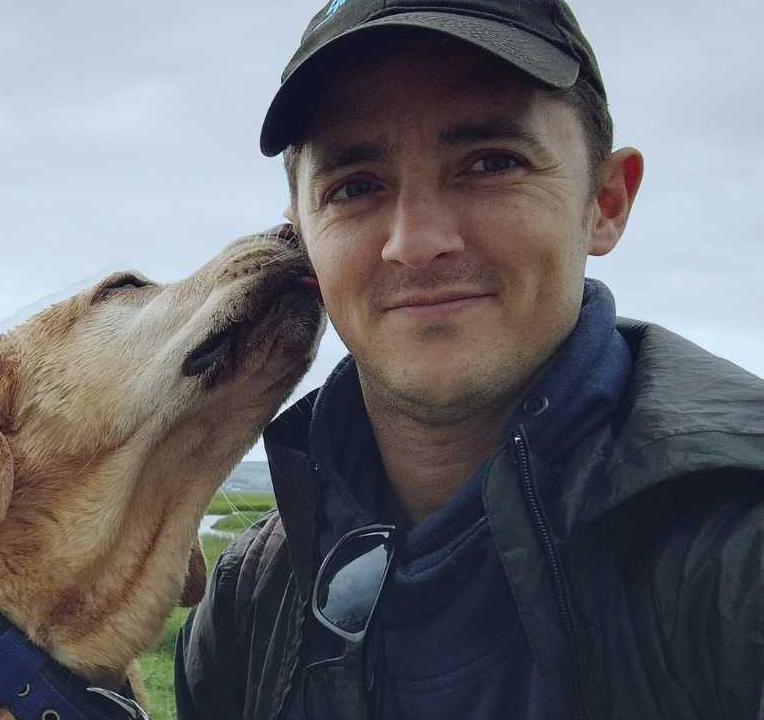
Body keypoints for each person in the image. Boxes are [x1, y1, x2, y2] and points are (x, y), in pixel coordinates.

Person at [173, 0, 764, 718]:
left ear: (605, 201)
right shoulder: (247, 602)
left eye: (491, 163)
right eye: (355, 186)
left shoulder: (738, 551)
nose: (416, 242)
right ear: (303, 241)